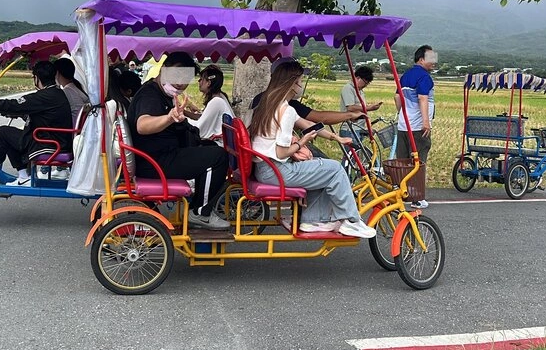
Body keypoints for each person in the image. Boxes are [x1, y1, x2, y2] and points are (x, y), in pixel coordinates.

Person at [249, 60, 376, 238]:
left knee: (320, 166)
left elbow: (309, 125)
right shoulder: (286, 110)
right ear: (292, 84)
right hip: (276, 171)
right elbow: (281, 152)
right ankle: (351, 220)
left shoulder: (268, 103)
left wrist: (336, 138)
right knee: (335, 169)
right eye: (300, 81)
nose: (301, 86)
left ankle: (312, 220)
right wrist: (302, 142)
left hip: (264, 168)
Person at [126, 52, 230, 230]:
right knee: (219, 156)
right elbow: (142, 125)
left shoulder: (159, 91)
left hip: (157, 156)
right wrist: (169, 118)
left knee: (211, 147)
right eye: (176, 76)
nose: (180, 83)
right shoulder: (150, 95)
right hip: (155, 162)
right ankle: (200, 213)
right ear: (164, 69)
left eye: (185, 79)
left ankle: (198, 204)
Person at [0, 61, 73, 186]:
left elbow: (14, 104)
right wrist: (11, 112)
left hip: (47, 144)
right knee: (12, 136)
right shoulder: (56, 94)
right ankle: (23, 177)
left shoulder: (44, 96)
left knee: (3, 132)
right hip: (54, 140)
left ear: (37, 78)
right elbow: (37, 113)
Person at [250, 57, 365, 126]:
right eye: (300, 80)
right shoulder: (286, 105)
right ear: (290, 81)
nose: (301, 84)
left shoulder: (262, 98)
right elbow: (320, 118)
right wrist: (350, 115)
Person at [394, 45, 438, 209]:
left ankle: (402, 193)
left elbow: (397, 98)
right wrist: (426, 122)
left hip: (403, 125)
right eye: (431, 58)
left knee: (403, 161)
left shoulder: (406, 75)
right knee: (418, 161)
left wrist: (402, 113)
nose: (434, 62)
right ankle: (417, 197)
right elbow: (422, 98)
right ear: (421, 59)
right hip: (418, 128)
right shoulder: (425, 77)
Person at [187, 64, 233, 145]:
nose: (199, 82)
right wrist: (183, 112)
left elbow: (199, 129)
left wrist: (182, 119)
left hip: (220, 145)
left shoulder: (216, 101)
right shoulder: (220, 97)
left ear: (208, 83)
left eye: (201, 79)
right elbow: (202, 117)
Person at [339, 65, 383, 142]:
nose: (365, 85)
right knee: (353, 150)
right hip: (350, 129)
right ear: (358, 78)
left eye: (367, 83)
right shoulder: (348, 88)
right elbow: (350, 107)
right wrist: (369, 108)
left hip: (359, 128)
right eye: (365, 82)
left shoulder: (360, 91)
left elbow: (361, 108)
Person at [53, 57, 90, 127]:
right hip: (82, 127)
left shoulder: (66, 92)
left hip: (72, 128)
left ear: (57, 73)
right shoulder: (76, 86)